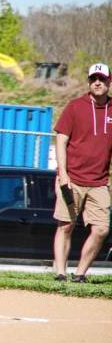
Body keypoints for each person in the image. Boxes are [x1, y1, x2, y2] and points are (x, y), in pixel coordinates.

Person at [53, 63, 112, 282]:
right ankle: (60, 273)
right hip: (73, 179)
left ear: (109, 82)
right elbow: (61, 141)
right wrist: (63, 174)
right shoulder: (75, 107)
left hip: (99, 182)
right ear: (89, 82)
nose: (98, 82)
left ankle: (79, 274)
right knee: (66, 225)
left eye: (102, 79)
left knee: (101, 230)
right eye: (93, 79)